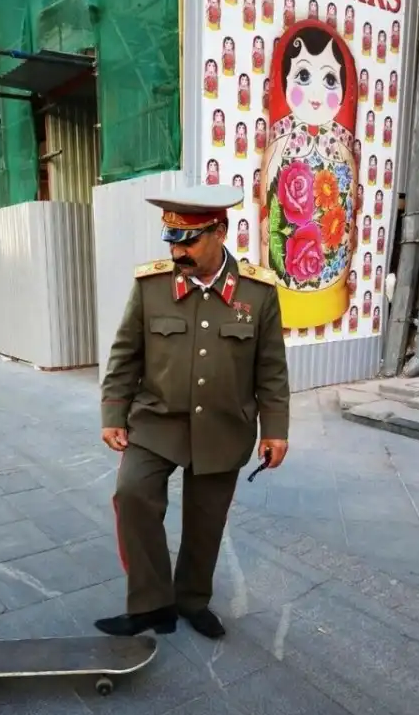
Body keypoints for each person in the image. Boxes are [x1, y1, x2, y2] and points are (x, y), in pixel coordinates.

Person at [98, 184, 290, 639]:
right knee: (133, 494)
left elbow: (271, 367)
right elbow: (125, 354)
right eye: (172, 239)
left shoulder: (257, 293)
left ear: (220, 232)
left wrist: (275, 429)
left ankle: (191, 600)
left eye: (189, 240)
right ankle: (151, 604)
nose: (177, 251)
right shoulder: (152, 287)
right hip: (156, 421)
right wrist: (113, 413)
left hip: (223, 426)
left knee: (205, 522)